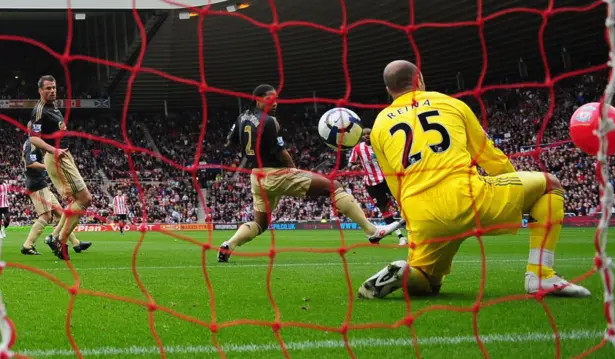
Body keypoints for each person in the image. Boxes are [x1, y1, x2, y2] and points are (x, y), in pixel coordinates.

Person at [357, 60, 590, 299]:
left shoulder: (379, 126)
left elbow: (395, 183)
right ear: (420, 80)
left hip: (422, 213)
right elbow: (489, 156)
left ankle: (406, 273)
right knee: (549, 185)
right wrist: (514, 190)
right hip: (469, 196)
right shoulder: (451, 104)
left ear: (389, 90)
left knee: (428, 282)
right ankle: (540, 274)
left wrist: (412, 218)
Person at [218, 84, 405, 262]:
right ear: (258, 99)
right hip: (275, 174)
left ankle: (229, 244)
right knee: (333, 186)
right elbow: (280, 152)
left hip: (256, 176)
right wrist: (293, 169)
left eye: (276, 99)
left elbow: (230, 141)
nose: (275, 103)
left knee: (260, 224)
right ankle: (372, 231)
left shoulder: (242, 117)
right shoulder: (269, 121)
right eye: (270, 99)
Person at [29, 75, 93, 260]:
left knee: (79, 200)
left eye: (54, 87)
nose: (52, 91)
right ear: (40, 91)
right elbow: (33, 138)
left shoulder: (53, 107)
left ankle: (55, 237)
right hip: (56, 157)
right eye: (48, 88)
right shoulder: (39, 110)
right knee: (84, 199)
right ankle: (59, 239)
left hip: (63, 155)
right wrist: (54, 150)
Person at [21, 130, 92, 256]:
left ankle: (75, 243)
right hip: (37, 184)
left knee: (61, 213)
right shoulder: (31, 143)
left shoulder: (33, 143)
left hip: (41, 183)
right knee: (46, 217)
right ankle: (27, 245)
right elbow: (30, 163)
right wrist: (47, 167)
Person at [348, 128, 407, 246]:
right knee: (384, 210)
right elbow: (351, 163)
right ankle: (401, 237)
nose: (366, 136)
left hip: (387, 179)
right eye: (364, 135)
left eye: (368, 134)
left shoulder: (380, 145)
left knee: (403, 201)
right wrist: (354, 167)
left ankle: (413, 229)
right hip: (371, 184)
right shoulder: (358, 148)